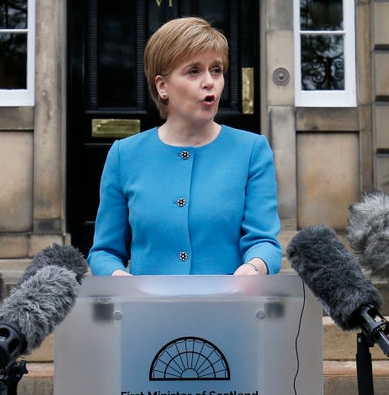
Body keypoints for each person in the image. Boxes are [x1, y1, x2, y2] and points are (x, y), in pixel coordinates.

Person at [87, 16, 282, 276]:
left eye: (216, 70)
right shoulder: (125, 155)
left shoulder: (252, 150)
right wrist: (118, 278)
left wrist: (254, 267)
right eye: (194, 71)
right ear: (162, 86)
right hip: (149, 311)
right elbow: (104, 252)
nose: (209, 81)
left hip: (228, 308)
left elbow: (265, 242)